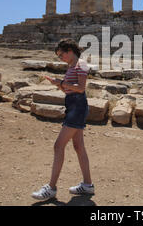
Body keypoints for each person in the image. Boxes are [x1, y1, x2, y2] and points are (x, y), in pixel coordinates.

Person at [32, 38, 94, 200]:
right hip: (73, 105)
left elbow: (80, 89)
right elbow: (68, 89)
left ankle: (51, 188)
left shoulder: (81, 64)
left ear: (70, 51)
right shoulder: (72, 66)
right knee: (79, 146)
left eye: (61, 55)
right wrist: (57, 84)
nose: (60, 58)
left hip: (78, 107)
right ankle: (87, 185)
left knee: (58, 146)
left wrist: (62, 82)